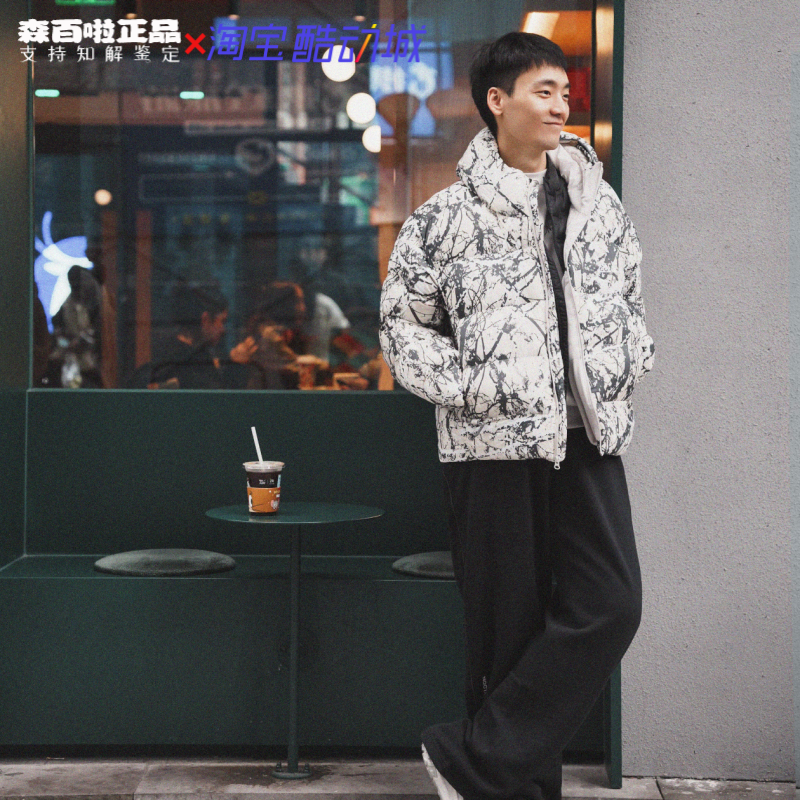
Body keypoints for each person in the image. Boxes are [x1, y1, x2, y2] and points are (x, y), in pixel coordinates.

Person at [379, 32, 655, 800]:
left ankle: (470, 758)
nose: (561, 104)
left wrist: (628, 363)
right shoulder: (444, 220)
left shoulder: (600, 207)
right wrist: (474, 387)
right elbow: (402, 329)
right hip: (490, 444)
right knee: (507, 632)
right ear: (497, 102)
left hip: (586, 437)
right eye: (544, 90)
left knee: (612, 604)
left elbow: (629, 303)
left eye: (565, 91)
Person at [146, 281, 255, 389]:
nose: (223, 329)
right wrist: (237, 366)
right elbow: (220, 398)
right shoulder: (191, 363)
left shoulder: (167, 351)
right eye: (222, 321)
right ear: (205, 319)